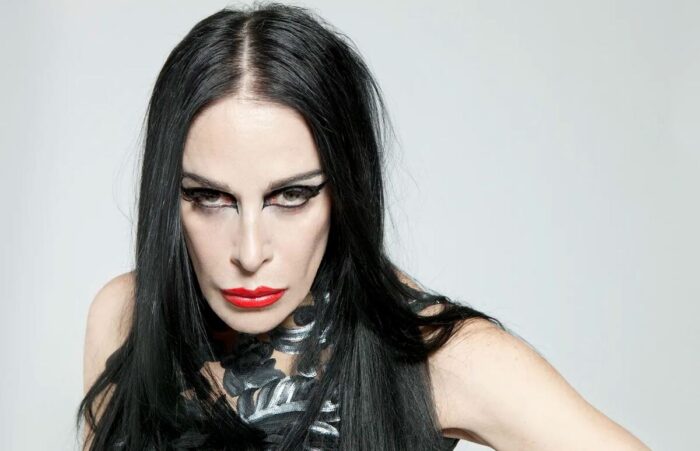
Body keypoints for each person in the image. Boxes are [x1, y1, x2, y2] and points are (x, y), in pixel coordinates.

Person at [78, 3, 650, 450]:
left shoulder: (433, 355)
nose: (249, 252)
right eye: (209, 197)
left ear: (344, 190)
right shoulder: (123, 314)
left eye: (292, 196)